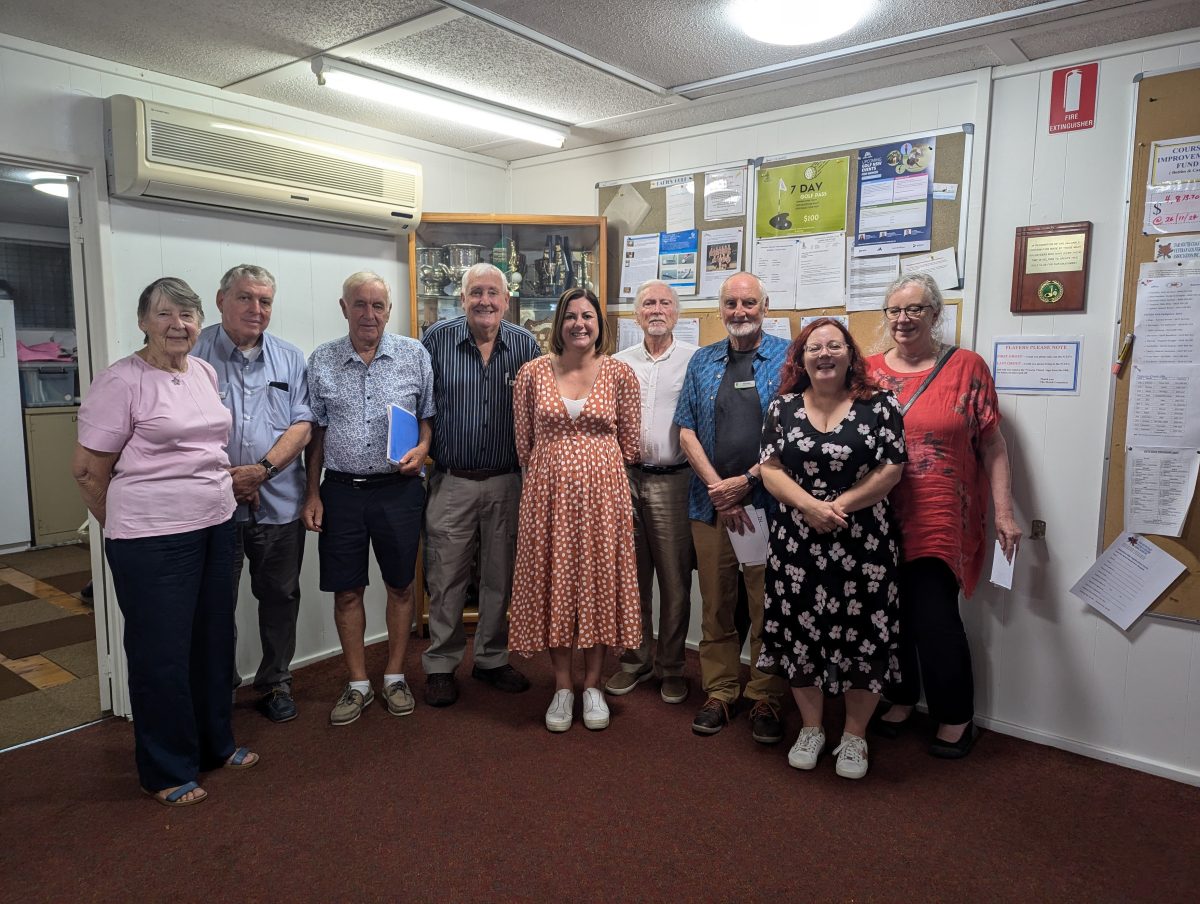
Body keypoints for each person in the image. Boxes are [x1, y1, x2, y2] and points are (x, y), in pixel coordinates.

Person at [72, 277, 257, 807]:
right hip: (151, 538)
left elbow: (209, 446)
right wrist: (126, 526)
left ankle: (215, 744)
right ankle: (166, 768)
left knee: (214, 640)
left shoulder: (202, 370)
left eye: (188, 316)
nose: (179, 326)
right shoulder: (120, 382)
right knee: (162, 654)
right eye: (165, 315)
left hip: (215, 523)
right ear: (143, 322)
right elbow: (87, 471)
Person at [865, 273, 1022, 758]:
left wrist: (1004, 511)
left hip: (940, 515)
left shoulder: (965, 367)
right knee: (886, 618)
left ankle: (955, 716)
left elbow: (992, 445)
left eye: (914, 309)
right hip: (877, 514)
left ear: (935, 314)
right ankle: (900, 698)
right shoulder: (866, 371)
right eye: (894, 310)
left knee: (934, 619)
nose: (903, 319)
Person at [758, 318, 906, 779]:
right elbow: (770, 468)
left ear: (849, 354)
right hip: (796, 544)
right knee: (801, 633)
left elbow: (892, 468)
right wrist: (809, 507)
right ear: (801, 358)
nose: (824, 354)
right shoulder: (781, 407)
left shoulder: (879, 405)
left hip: (863, 544)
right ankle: (812, 728)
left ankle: (855, 735)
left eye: (833, 346)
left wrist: (835, 507)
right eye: (814, 348)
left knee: (863, 635)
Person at [302, 271, 434, 726]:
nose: (369, 314)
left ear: (389, 310)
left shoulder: (414, 354)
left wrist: (422, 449)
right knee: (346, 590)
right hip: (340, 492)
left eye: (378, 305)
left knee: (401, 586)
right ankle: (358, 682)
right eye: (359, 304)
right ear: (344, 308)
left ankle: (394, 675)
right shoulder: (321, 361)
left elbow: (427, 417)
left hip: (398, 492)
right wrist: (312, 493)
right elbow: (313, 434)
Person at [509, 286, 642, 733]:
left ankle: (593, 686)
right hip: (547, 499)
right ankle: (563, 687)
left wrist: (590, 472)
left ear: (599, 323)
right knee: (555, 585)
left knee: (599, 585)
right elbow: (524, 445)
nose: (579, 323)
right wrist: (559, 473)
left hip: (605, 498)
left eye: (588, 316)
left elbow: (630, 444)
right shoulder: (531, 374)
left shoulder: (620, 374)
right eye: (570, 316)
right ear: (558, 324)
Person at [192, 264, 313, 723]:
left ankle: (276, 682)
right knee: (214, 602)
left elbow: (303, 425)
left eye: (265, 301)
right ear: (221, 300)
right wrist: (229, 478)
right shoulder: (193, 354)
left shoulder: (289, 358)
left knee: (280, 598)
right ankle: (216, 687)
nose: (256, 309)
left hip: (278, 501)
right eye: (245, 298)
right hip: (210, 506)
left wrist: (259, 472)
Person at [675, 272, 789, 742]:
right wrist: (719, 487)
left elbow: (796, 431)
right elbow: (685, 429)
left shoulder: (788, 357)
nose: (739, 312)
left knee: (767, 606)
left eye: (748, 303)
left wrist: (745, 482)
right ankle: (720, 692)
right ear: (719, 309)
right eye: (730, 304)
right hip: (711, 505)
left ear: (764, 304)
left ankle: (766, 696)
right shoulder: (702, 360)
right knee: (717, 606)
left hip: (769, 503)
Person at [420, 263, 541, 707]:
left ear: (506, 300)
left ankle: (491, 657)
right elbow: (419, 407)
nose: (485, 301)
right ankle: (441, 663)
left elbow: (536, 413)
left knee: (499, 577)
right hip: (451, 480)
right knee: (445, 576)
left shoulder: (526, 345)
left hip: (508, 482)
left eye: (493, 293)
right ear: (463, 298)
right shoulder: (436, 341)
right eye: (476, 293)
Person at [605, 279, 697, 705]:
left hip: (675, 481)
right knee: (632, 576)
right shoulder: (617, 363)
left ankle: (673, 666)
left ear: (675, 311)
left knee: (675, 580)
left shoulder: (694, 361)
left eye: (664, 302)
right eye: (647, 303)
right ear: (637, 313)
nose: (656, 309)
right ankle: (634, 660)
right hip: (625, 478)